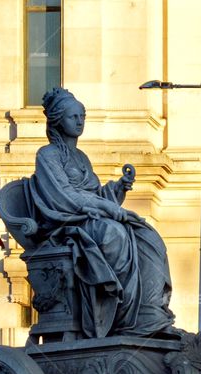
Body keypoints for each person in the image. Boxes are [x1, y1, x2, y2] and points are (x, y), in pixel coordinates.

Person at [24, 87, 175, 338]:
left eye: (82, 116)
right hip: (66, 224)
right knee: (113, 234)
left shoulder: (81, 158)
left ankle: (148, 311)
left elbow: (94, 195)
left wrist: (117, 188)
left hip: (90, 218)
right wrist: (109, 209)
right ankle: (120, 315)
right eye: (74, 117)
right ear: (58, 120)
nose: (80, 121)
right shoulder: (47, 155)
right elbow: (65, 197)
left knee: (148, 237)